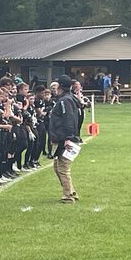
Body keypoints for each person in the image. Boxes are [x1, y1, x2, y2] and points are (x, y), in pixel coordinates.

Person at [48, 75, 81, 204]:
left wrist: (68, 138)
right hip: (65, 137)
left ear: (60, 86)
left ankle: (68, 195)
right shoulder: (69, 99)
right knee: (58, 167)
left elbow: (68, 120)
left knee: (63, 168)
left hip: (65, 138)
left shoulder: (64, 101)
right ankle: (71, 191)